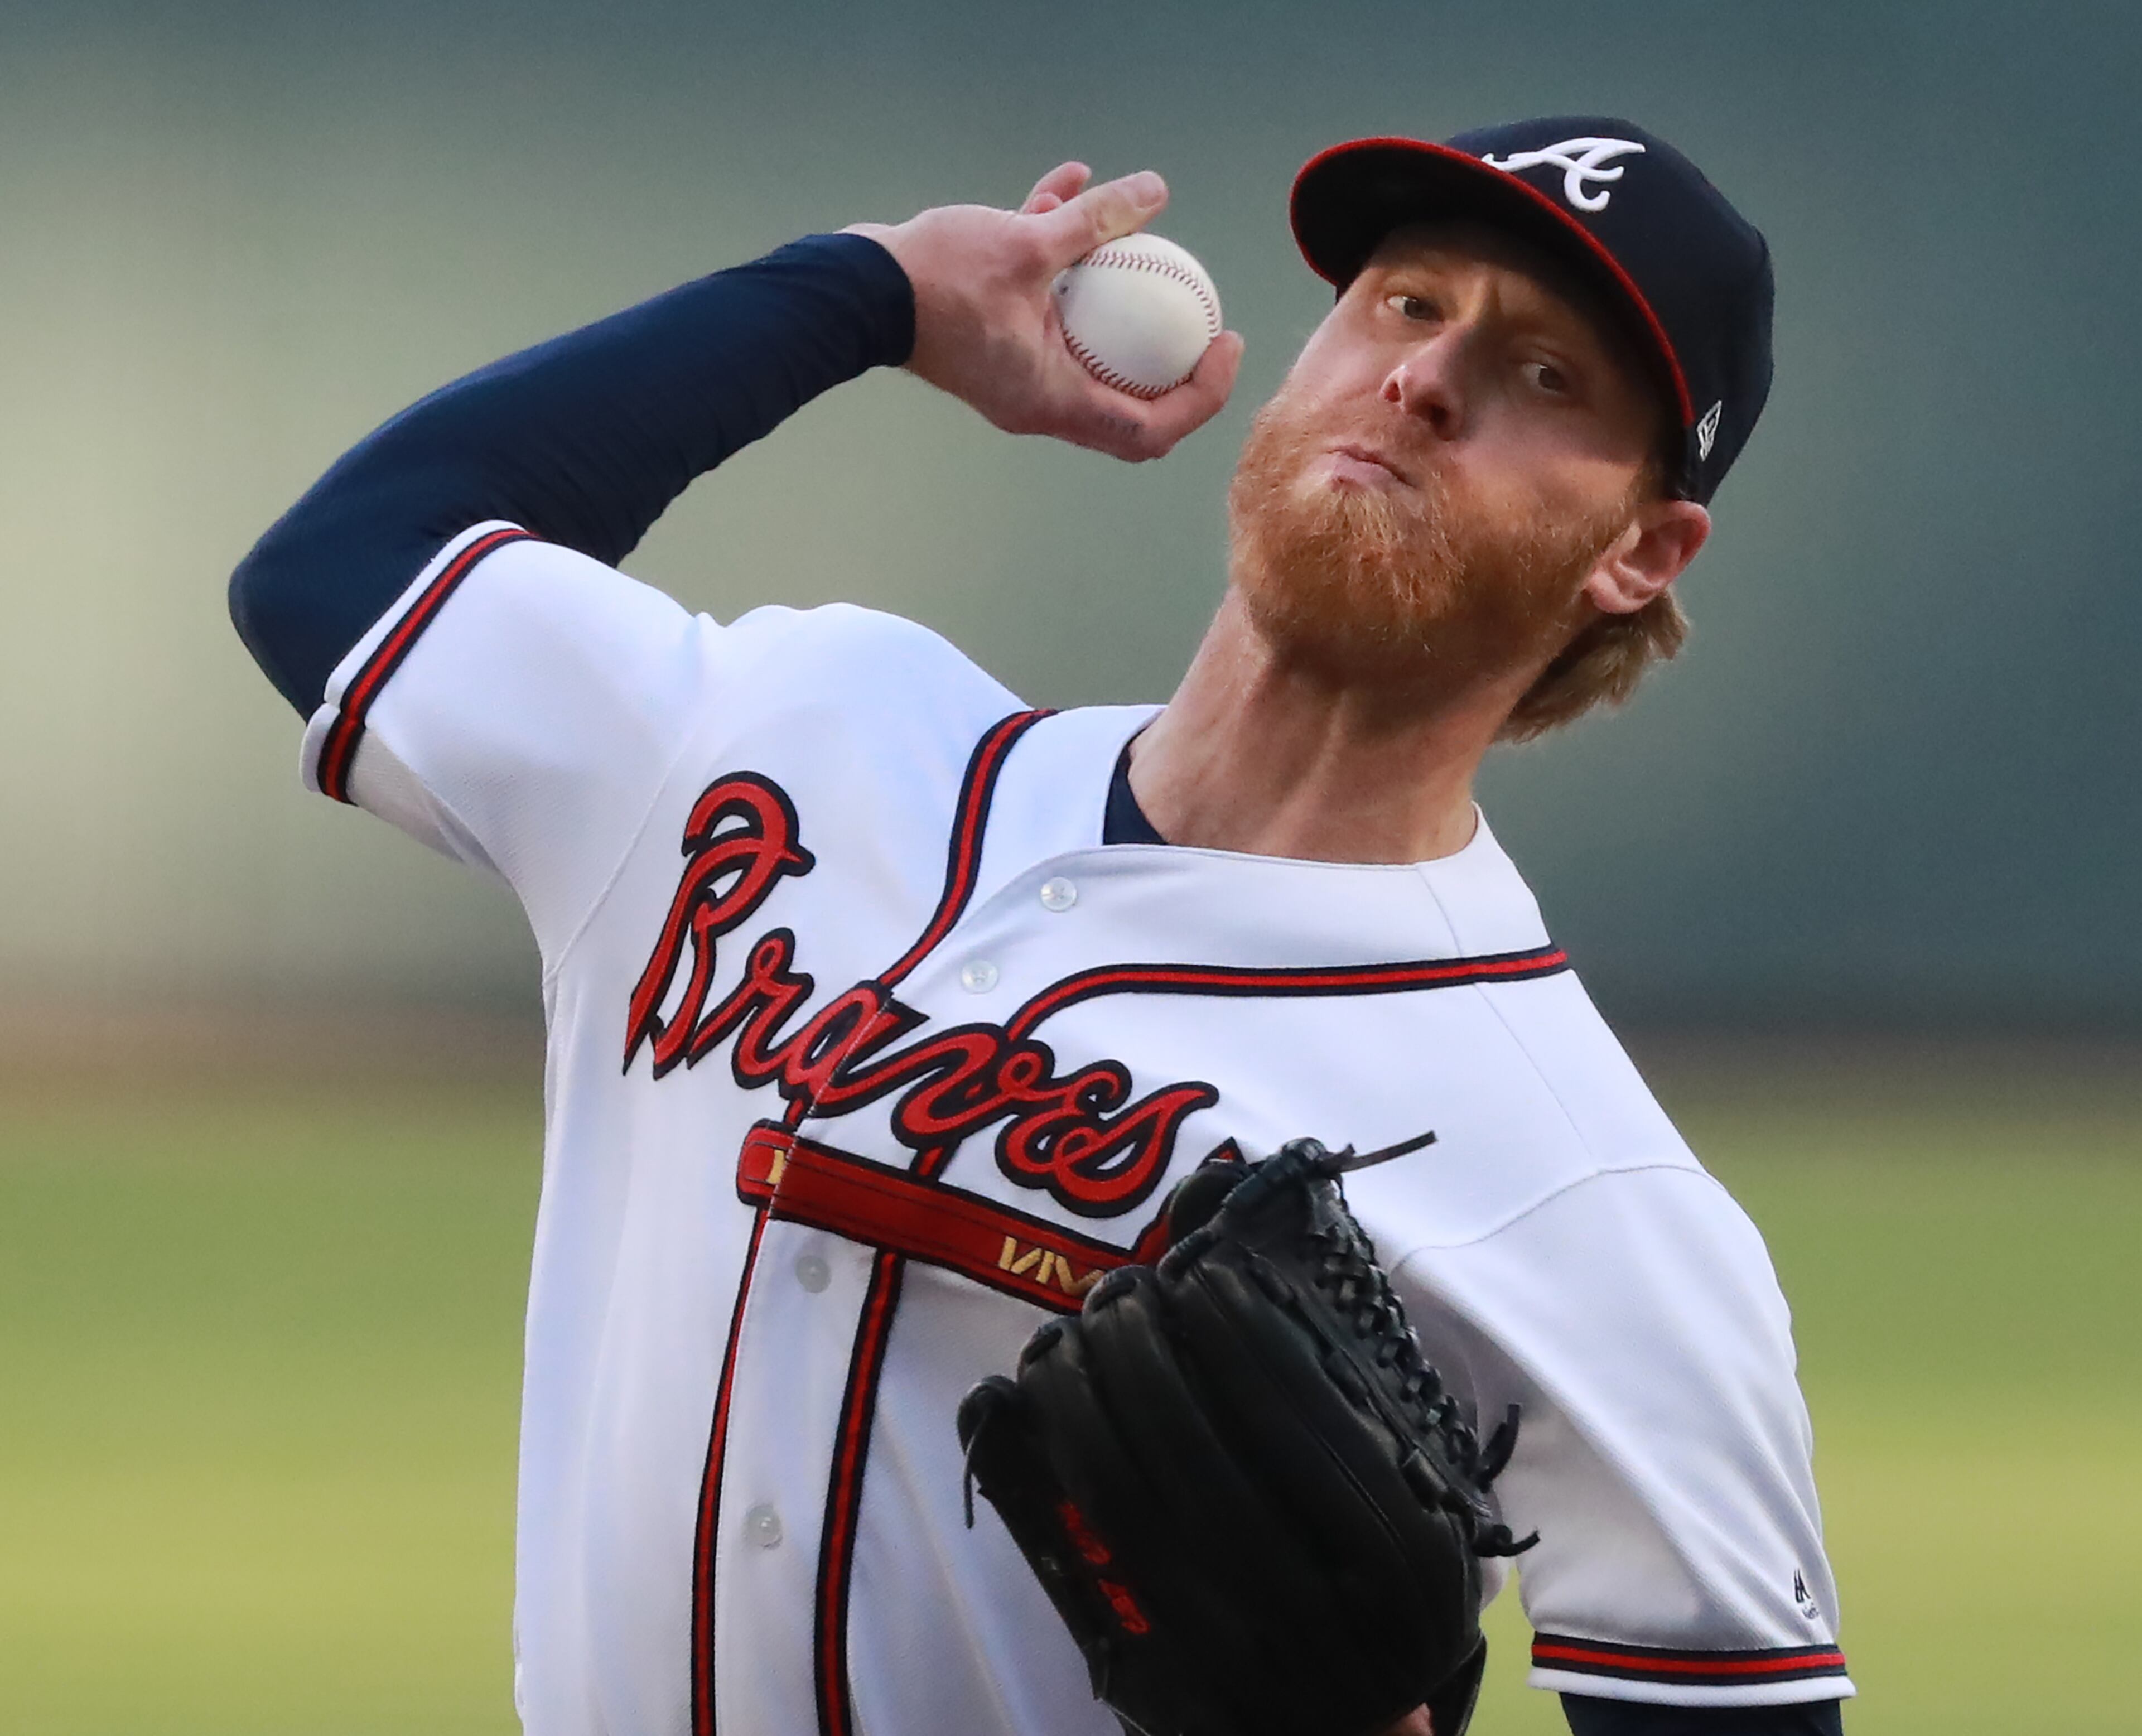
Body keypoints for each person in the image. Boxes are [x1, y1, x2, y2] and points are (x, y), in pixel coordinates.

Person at [230, 115, 1850, 1736]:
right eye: (1406, 304)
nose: (1426, 378)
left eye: (1545, 374)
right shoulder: (792, 731)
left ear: (1639, 552)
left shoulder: (1588, 1194)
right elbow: (339, 570)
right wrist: (868, 295)